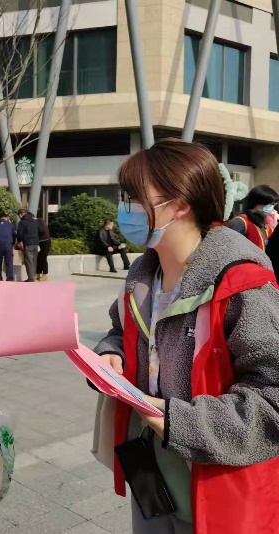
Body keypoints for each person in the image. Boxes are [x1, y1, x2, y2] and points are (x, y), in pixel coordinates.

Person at [94, 138, 279, 533]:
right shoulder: (143, 276)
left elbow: (272, 399)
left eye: (135, 198)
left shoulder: (242, 284)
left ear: (180, 204)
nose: (125, 209)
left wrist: (178, 421)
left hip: (217, 481)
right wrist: (112, 353)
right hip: (148, 468)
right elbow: (119, 330)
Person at [228, 184, 279, 251]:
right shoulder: (240, 222)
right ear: (258, 202)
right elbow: (231, 247)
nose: (271, 208)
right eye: (270, 204)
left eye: (273, 205)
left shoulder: (262, 223)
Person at [0, 212, 16, 281]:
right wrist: (12, 244)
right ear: (6, 218)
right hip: (8, 244)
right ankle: (9, 277)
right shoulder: (11, 225)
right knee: (9, 262)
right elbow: (14, 236)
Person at [16, 209, 40, 282]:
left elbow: (20, 234)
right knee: (34, 260)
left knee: (29, 261)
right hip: (36, 243)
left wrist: (19, 241)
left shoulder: (22, 222)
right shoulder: (35, 221)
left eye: (19, 216)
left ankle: (30, 278)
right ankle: (33, 276)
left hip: (28, 243)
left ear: (20, 215)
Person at [36, 212, 52, 281]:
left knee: (43, 258)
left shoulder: (39, 221)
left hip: (46, 242)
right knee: (39, 258)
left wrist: (35, 231)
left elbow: (41, 230)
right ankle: (38, 273)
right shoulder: (37, 221)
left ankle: (45, 274)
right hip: (40, 242)